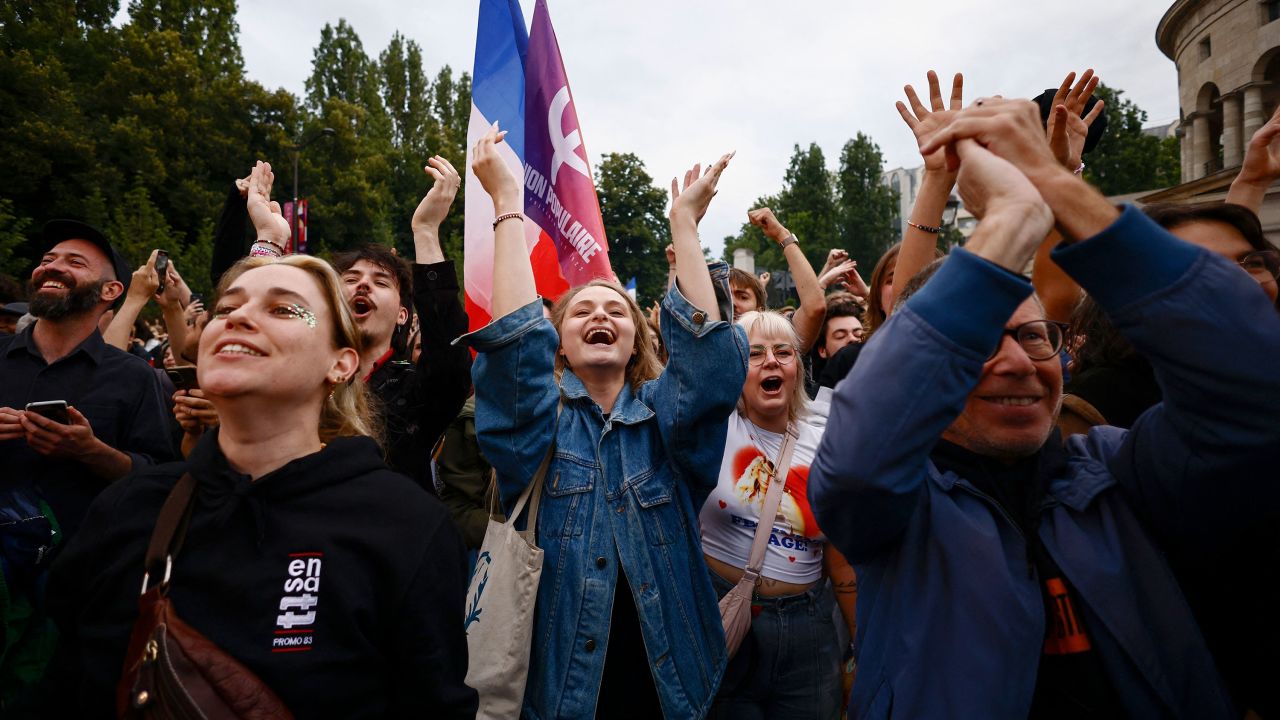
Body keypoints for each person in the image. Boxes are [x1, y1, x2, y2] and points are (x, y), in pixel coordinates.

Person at [812, 98, 1280, 718]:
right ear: (937, 363)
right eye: (978, 341)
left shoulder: (1126, 472)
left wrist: (1055, 184)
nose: (1016, 362)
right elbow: (858, 456)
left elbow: (1253, 385)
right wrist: (1010, 219)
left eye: (1034, 336)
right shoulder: (898, 508)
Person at [44, 254, 477, 718]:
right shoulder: (130, 507)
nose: (239, 318)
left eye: (284, 310)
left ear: (340, 363)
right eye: (226, 309)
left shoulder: (405, 526)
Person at [464, 124, 748, 719]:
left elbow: (708, 369)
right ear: (558, 345)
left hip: (676, 687)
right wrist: (507, 207)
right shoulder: (537, 434)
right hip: (565, 691)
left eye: (616, 310)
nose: (601, 315)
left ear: (637, 338)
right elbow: (515, 350)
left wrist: (686, 229)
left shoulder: (666, 423)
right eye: (582, 311)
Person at [0, 220, 176, 707]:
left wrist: (89, 450)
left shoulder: (134, 378)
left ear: (111, 292)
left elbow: (156, 479)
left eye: (74, 263)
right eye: (48, 259)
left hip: (75, 602)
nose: (51, 268)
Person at [699, 309, 855, 718]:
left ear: (797, 370)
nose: (771, 360)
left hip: (808, 629)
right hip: (723, 616)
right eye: (754, 354)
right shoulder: (712, 431)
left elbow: (841, 554)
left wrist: (860, 646)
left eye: (783, 352)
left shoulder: (827, 442)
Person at [330, 156, 471, 491]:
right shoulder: (301, 375)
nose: (363, 285)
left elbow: (450, 358)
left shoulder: (416, 388)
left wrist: (425, 231)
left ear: (402, 314)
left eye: (380, 282)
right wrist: (267, 238)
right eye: (350, 279)